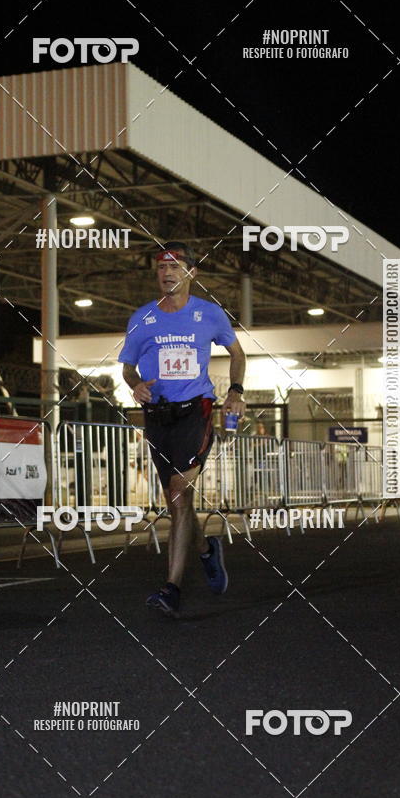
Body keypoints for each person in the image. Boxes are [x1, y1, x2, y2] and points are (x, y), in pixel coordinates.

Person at [119, 240, 246, 616]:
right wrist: (134, 383)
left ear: (192, 273)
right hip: (158, 416)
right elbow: (127, 365)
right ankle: (207, 549)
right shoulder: (143, 318)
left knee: (178, 492)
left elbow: (237, 354)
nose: (168, 273)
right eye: (161, 267)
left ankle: (171, 589)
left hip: (197, 411)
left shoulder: (209, 314)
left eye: (175, 267)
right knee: (179, 504)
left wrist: (235, 391)